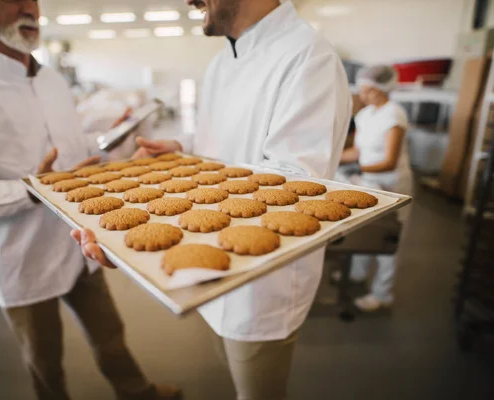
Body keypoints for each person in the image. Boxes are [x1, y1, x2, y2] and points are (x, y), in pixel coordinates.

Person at [73, 0, 352, 399]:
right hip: (211, 263)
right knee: (227, 359)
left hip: (262, 278)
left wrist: (144, 232)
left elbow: (293, 190)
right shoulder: (223, 61)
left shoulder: (307, 56)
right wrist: (181, 150)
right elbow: (223, 145)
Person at [0, 1, 180, 399]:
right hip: (21, 257)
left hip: (78, 241)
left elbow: (72, 162)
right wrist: (30, 188)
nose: (29, 7)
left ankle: (137, 393)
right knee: (45, 362)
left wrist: (116, 155)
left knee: (110, 335)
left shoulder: (52, 82)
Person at [339, 64, 412, 312]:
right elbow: (358, 151)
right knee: (364, 228)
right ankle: (358, 274)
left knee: (387, 236)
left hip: (392, 185)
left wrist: (360, 169)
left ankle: (382, 293)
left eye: (367, 91)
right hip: (367, 181)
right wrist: (334, 158)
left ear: (381, 90)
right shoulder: (365, 114)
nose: (362, 95)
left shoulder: (394, 116)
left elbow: (390, 160)